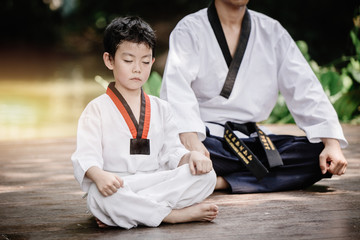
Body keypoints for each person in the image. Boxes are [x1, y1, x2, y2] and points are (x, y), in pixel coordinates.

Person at [160, 0, 348, 193]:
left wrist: (331, 142)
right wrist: (192, 142)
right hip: (209, 141)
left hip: (254, 140)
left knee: (318, 154)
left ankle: (219, 181)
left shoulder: (272, 31)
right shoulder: (190, 29)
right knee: (173, 151)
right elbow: (177, 89)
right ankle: (248, 177)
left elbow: (305, 87)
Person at [71, 16, 218, 229]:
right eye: (128, 61)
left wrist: (190, 156)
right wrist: (99, 176)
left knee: (207, 177)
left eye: (146, 61)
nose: (138, 69)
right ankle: (171, 215)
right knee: (97, 197)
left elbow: (172, 152)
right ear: (109, 60)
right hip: (117, 185)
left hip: (155, 182)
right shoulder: (96, 109)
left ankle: (126, 213)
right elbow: (85, 156)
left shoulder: (162, 108)